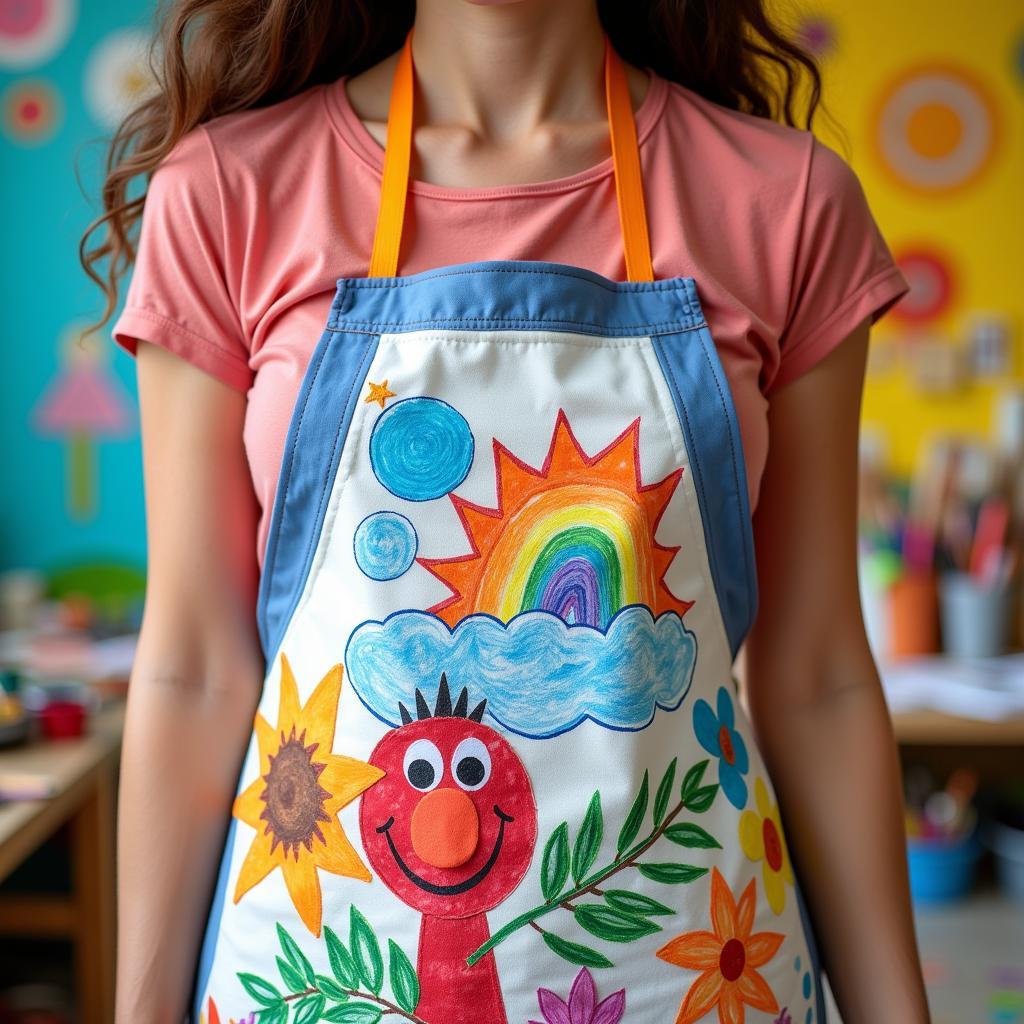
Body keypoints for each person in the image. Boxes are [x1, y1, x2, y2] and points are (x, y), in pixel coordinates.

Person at [81, 2, 929, 1022]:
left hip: (700, 977)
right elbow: (194, 666)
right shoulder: (228, 194)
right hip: (319, 985)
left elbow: (818, 676)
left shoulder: (786, 202)